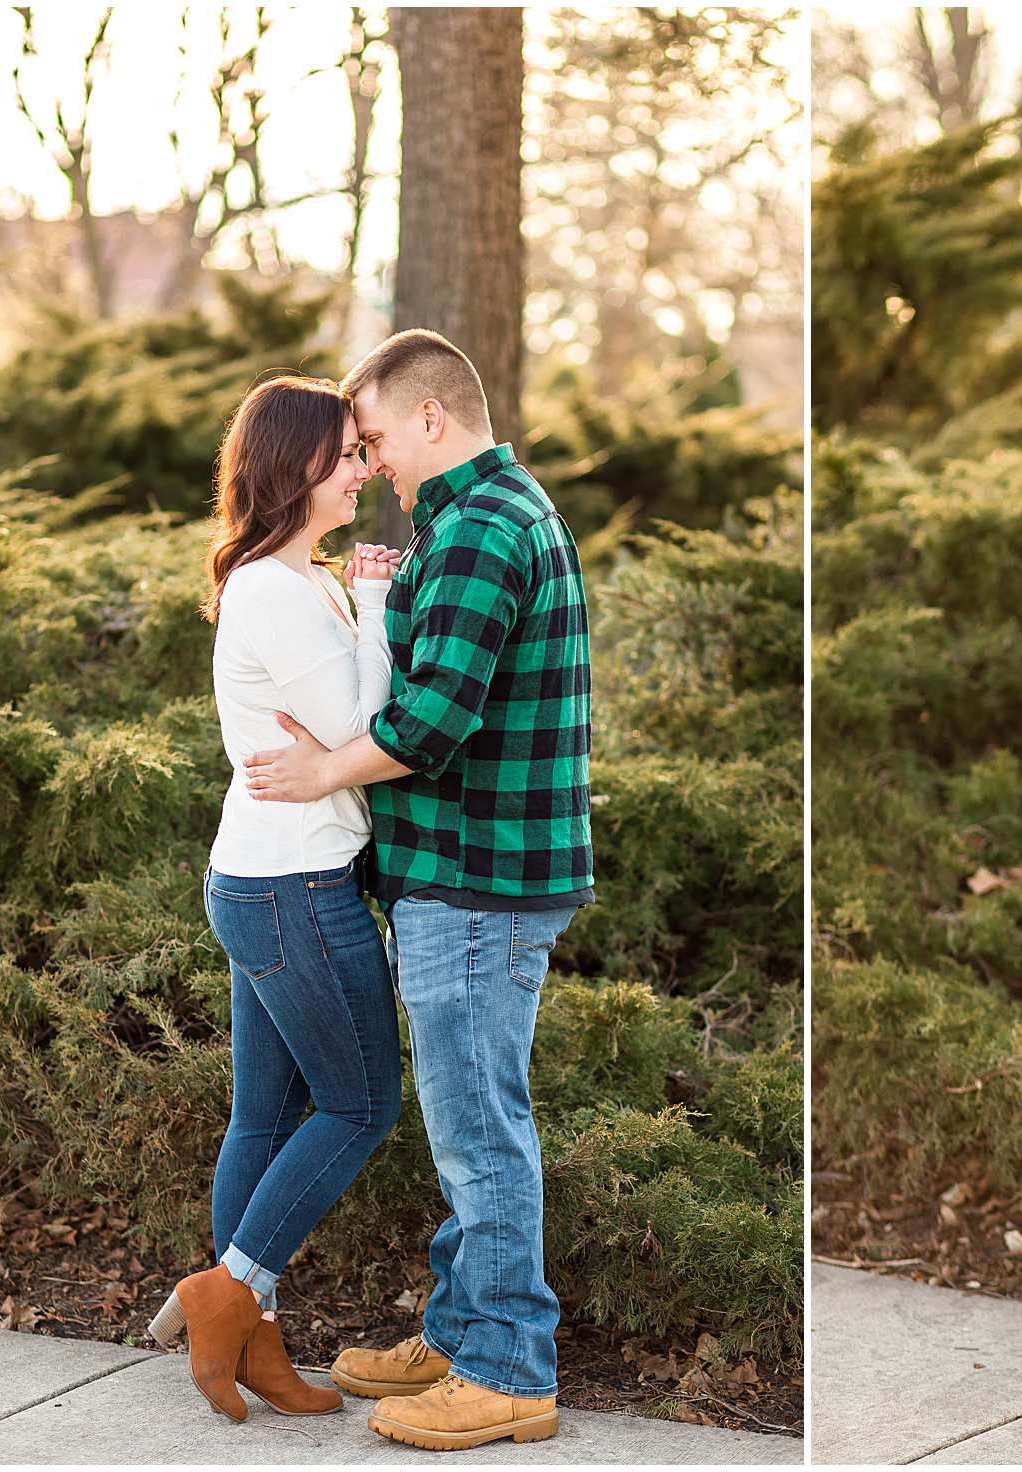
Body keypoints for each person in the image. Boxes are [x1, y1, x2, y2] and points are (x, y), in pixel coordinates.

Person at [242, 328, 594, 1453]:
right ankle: (457, 1329)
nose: (374, 461)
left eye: (380, 436)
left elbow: (432, 724)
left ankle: (504, 1368)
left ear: (431, 419)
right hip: (468, 872)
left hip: (475, 877)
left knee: (479, 1130)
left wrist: (318, 772)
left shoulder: (486, 526)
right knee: (466, 1118)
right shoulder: (474, 518)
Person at [148, 374, 406, 1423]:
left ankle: (249, 1341)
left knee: (262, 1114)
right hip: (293, 885)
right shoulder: (273, 588)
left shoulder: (297, 577)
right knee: (359, 1103)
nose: (363, 468)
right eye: (347, 451)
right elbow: (359, 727)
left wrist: (359, 598)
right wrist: (382, 606)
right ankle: (228, 1291)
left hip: (266, 877)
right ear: (298, 463)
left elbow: (336, 733)